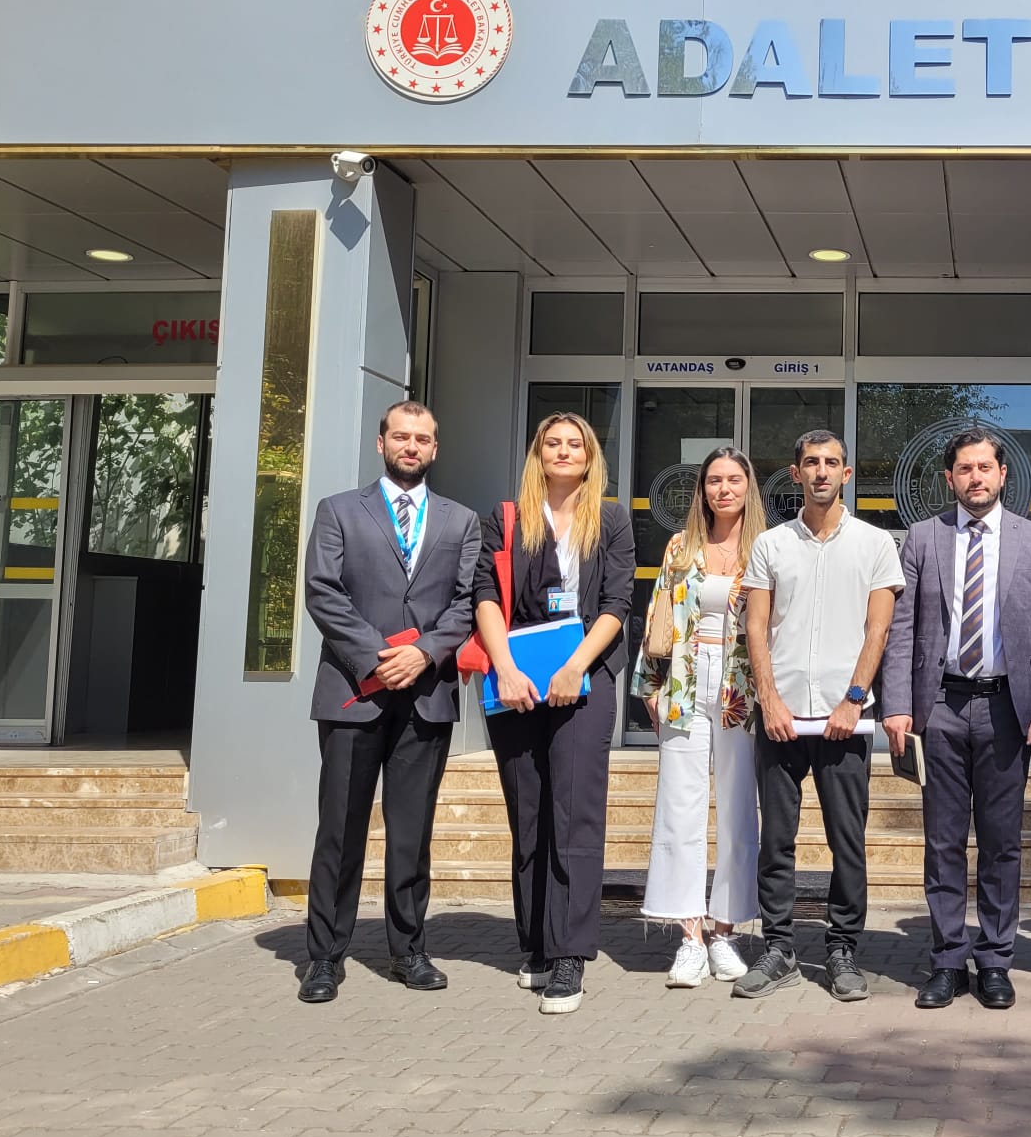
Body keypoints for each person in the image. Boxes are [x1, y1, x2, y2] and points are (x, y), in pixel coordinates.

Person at [297, 401, 483, 1004]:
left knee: (411, 833)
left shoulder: (460, 522)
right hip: (355, 693)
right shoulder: (338, 512)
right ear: (381, 443)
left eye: (422, 438)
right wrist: (378, 656)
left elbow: (465, 602)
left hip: (425, 698)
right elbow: (323, 593)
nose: (411, 446)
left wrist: (425, 653)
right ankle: (325, 956)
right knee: (341, 831)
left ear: (435, 448)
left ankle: (409, 950)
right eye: (401, 436)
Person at [882, 429, 1031, 1012]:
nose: (976, 478)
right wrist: (896, 704)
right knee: (941, 840)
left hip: (1007, 709)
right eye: (965, 469)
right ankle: (945, 960)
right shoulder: (922, 537)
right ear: (949, 478)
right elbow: (902, 629)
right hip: (940, 704)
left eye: (986, 467)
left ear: (1003, 474)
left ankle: (994, 960)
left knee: (1001, 842)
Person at [473, 411, 635, 1016]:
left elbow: (618, 600)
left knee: (575, 815)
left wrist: (576, 668)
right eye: (553, 443)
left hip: (584, 681)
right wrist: (505, 668)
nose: (564, 452)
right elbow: (484, 596)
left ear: (591, 456)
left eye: (576, 444)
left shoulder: (611, 518)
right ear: (537, 454)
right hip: (514, 679)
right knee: (530, 811)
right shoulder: (506, 518)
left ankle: (570, 955)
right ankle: (536, 945)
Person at [736, 429, 902, 1003]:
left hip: (844, 718)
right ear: (795, 472)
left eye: (833, 463)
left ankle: (842, 949)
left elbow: (878, 628)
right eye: (812, 462)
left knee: (846, 840)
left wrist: (854, 699)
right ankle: (778, 947)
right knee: (775, 839)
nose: (822, 472)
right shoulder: (770, 544)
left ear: (847, 475)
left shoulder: (876, 544)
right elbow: (755, 626)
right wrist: (770, 699)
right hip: (781, 718)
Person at [632, 447, 767, 989]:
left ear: (748, 486)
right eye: (714, 480)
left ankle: (725, 931)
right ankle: (688, 934)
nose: (723, 489)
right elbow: (658, 611)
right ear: (702, 489)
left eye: (734, 479)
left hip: (742, 687)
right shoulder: (679, 546)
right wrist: (650, 681)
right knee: (679, 804)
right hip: (685, 680)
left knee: (737, 807)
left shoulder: (766, 547)